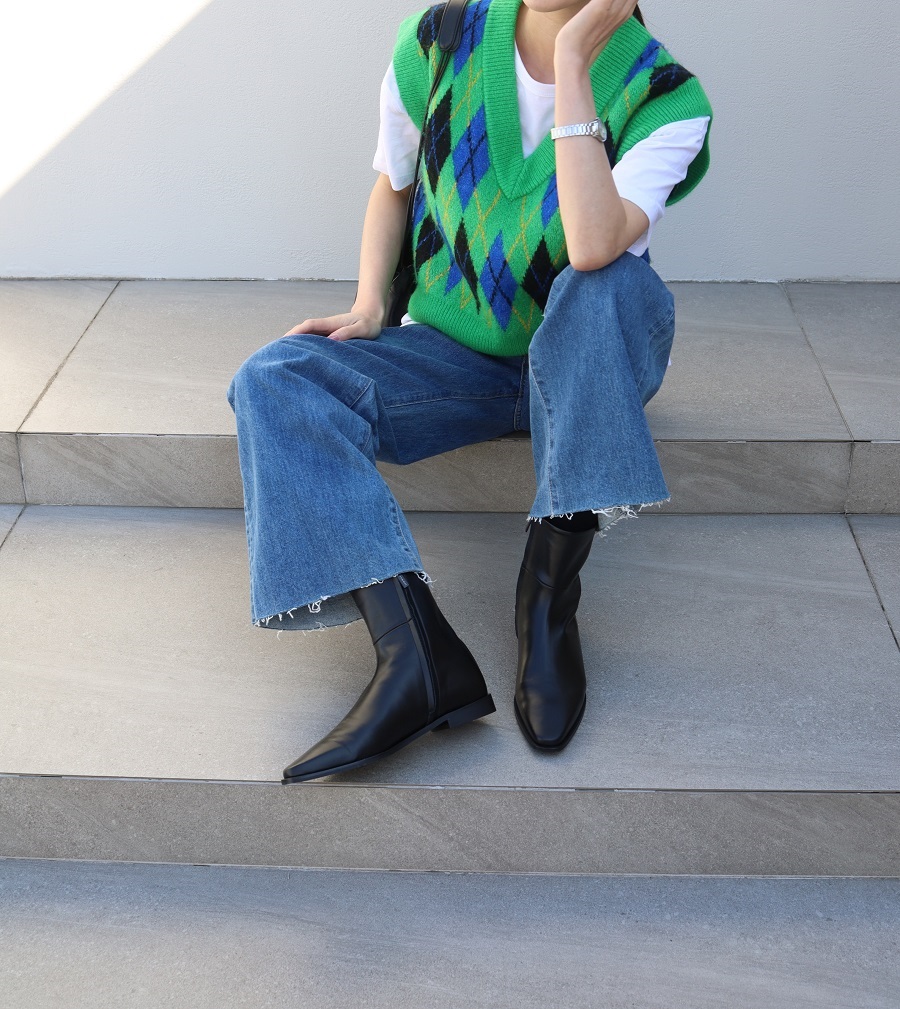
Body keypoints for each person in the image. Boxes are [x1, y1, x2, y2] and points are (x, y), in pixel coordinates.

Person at [227, 0, 712, 783]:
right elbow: (394, 185)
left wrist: (576, 61)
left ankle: (546, 603)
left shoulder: (666, 97)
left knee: (608, 284)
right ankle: (415, 653)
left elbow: (592, 245)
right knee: (274, 377)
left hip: (589, 360)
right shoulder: (439, 39)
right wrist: (369, 304)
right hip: (453, 360)